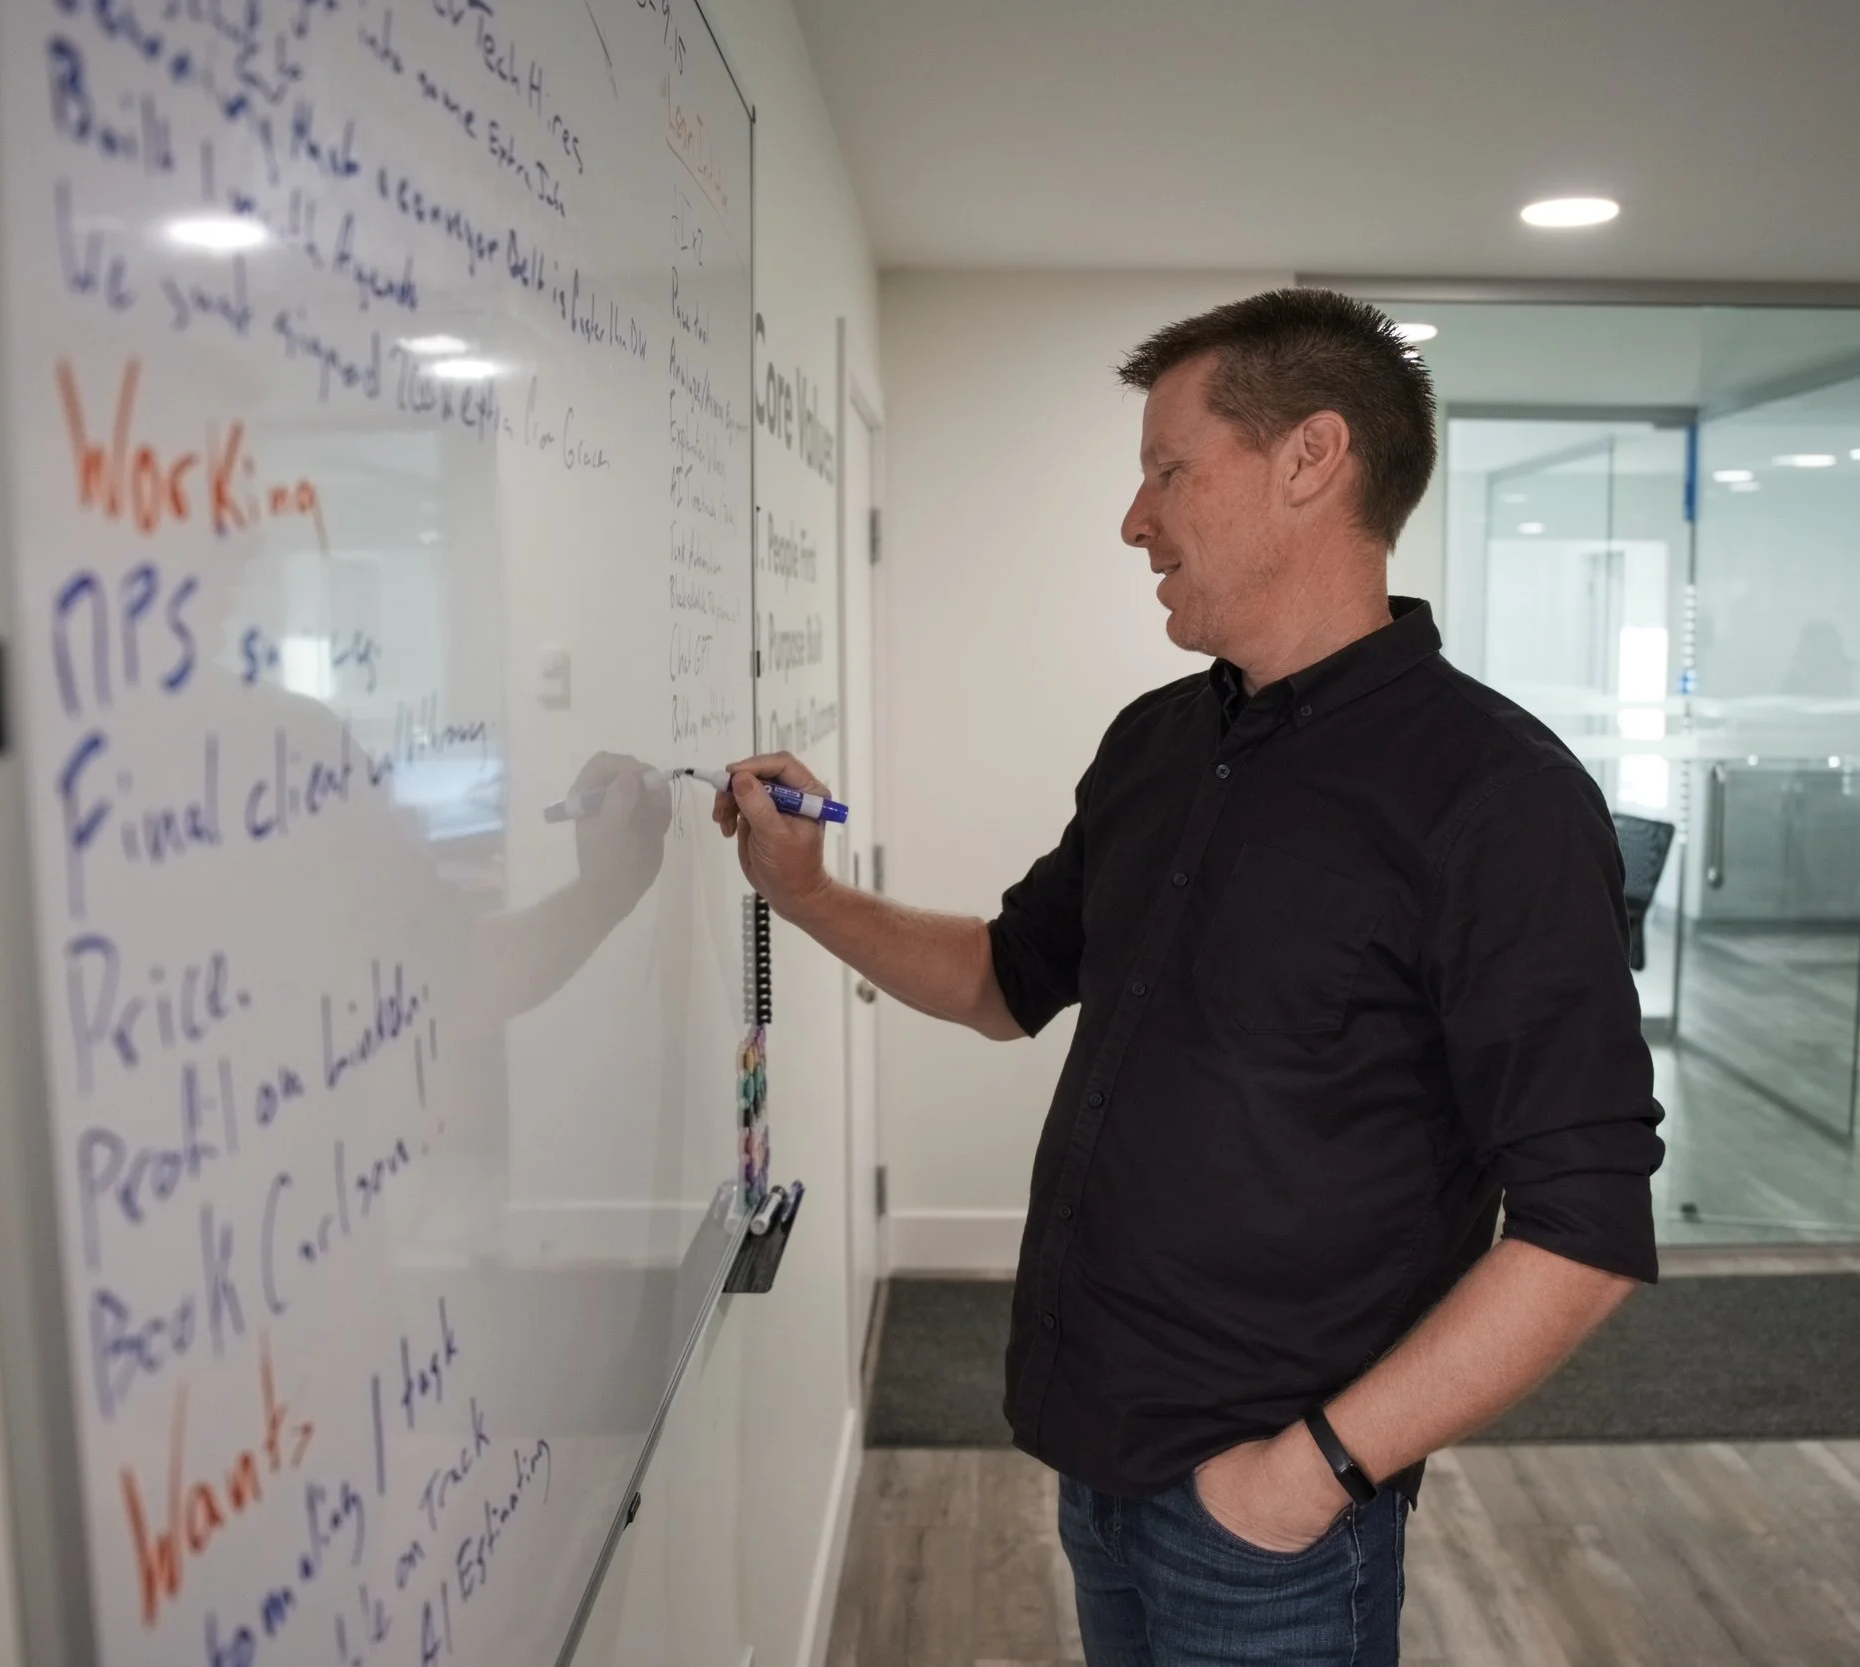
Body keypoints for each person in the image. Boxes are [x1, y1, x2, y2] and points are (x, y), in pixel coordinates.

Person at [713, 288, 1664, 1667]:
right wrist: (803, 894)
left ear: (1309, 460)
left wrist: (1305, 1478)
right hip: (1100, 1454)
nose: (1135, 519)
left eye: (1169, 471)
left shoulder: (1496, 798)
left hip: (1272, 1514)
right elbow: (1002, 977)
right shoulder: (1158, 742)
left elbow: (1584, 1233)